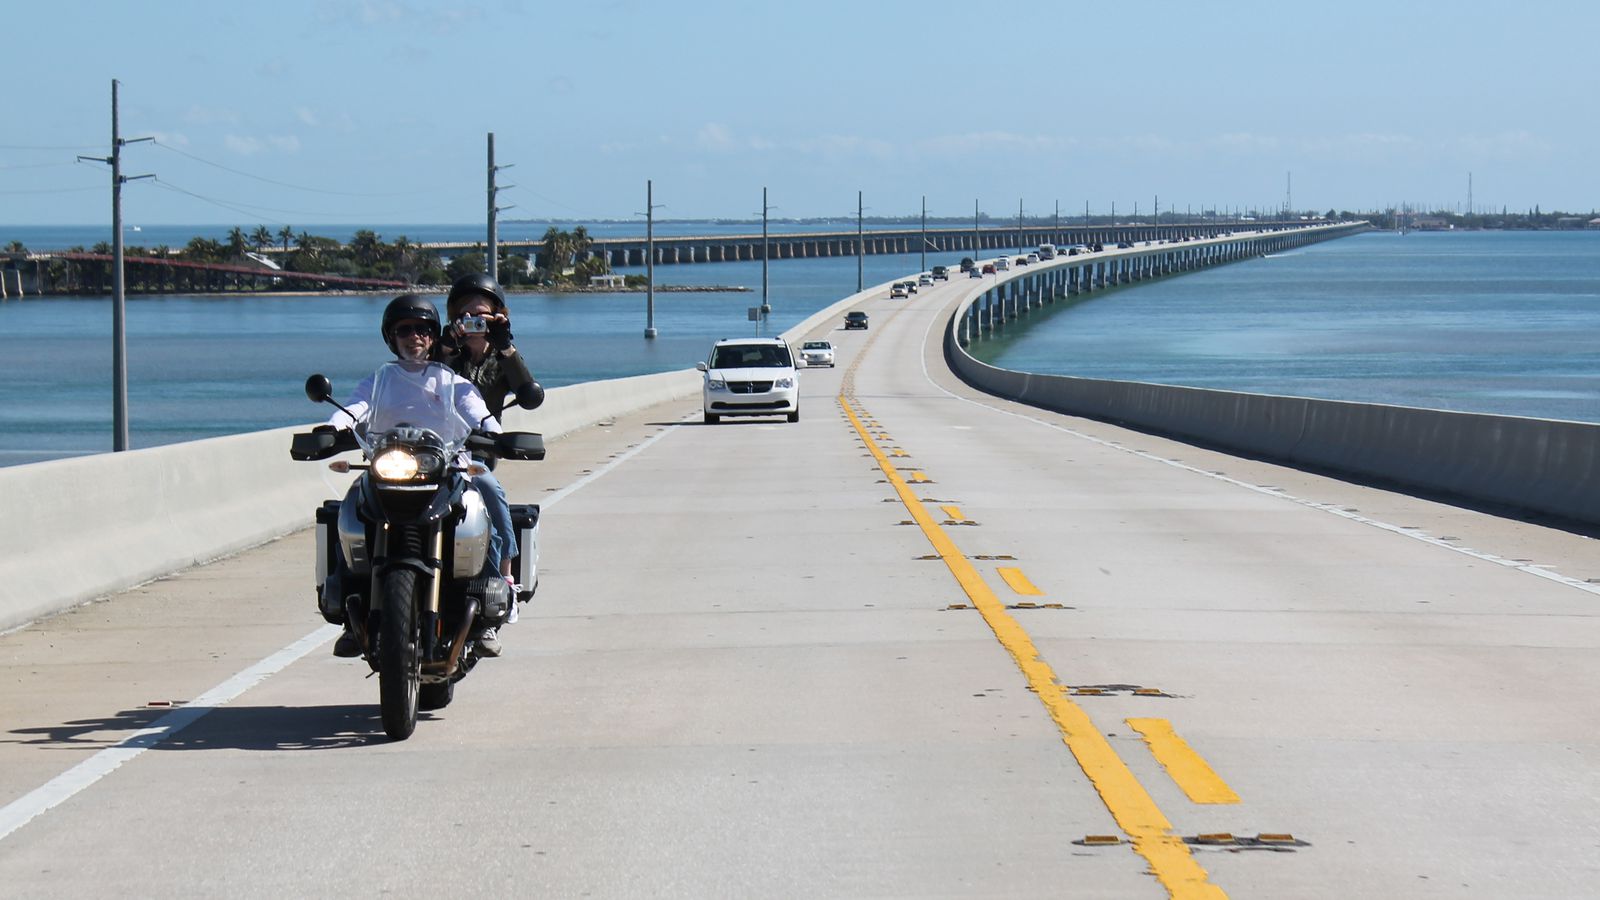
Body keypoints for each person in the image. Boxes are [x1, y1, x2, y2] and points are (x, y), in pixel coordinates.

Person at [327, 293, 509, 657]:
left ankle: (490, 605)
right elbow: (353, 408)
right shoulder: (379, 380)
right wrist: (332, 427)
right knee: (348, 508)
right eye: (405, 330)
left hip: (446, 468)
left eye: (423, 330)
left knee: (481, 504)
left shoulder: (450, 380)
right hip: (389, 467)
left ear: (432, 335)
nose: (414, 337)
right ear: (391, 337)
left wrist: (497, 435)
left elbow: (477, 412)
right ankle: (348, 608)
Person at [439, 274, 544, 634]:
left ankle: (506, 580)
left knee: (491, 493)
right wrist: (446, 348)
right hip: (431, 452)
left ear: (497, 318)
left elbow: (526, 388)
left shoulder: (500, 359)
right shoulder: (445, 355)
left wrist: (505, 347)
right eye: (466, 316)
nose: (474, 322)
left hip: (478, 454)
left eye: (482, 316)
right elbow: (421, 380)